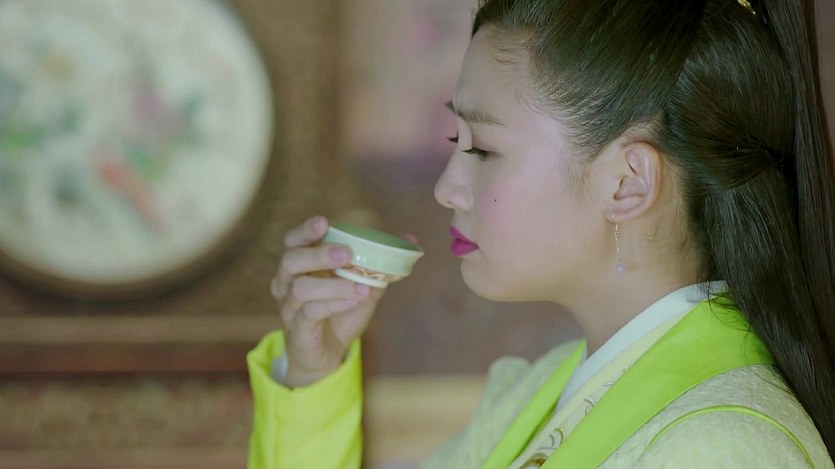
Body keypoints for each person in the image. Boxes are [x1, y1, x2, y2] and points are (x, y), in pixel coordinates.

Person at [247, 0, 835, 467]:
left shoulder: (723, 449)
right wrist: (314, 373)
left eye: (482, 148)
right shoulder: (534, 395)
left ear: (627, 182)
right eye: (456, 141)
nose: (447, 189)